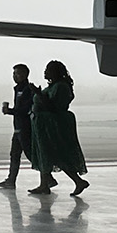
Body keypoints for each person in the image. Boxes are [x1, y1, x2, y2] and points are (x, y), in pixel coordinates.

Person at [28, 58, 89, 196]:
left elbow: (53, 107)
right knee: (47, 154)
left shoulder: (61, 87)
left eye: (48, 70)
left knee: (56, 154)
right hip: (44, 126)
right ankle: (45, 184)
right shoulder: (52, 87)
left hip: (54, 125)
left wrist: (38, 94)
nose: (45, 72)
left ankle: (76, 181)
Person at [0, 63, 38, 188]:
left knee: (30, 154)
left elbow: (26, 110)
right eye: (13, 73)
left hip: (25, 127)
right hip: (18, 127)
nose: (14, 76)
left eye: (17, 73)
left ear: (25, 75)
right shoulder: (18, 89)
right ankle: (11, 180)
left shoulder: (28, 90)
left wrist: (11, 111)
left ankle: (48, 177)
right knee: (14, 154)